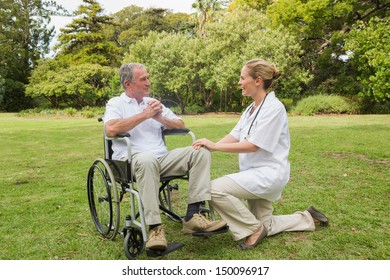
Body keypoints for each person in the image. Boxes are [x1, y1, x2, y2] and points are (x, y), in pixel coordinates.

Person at [192, 58, 328, 250]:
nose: (239, 82)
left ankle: (253, 229)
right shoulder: (250, 108)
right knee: (267, 224)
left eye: (242, 78)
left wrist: (214, 146)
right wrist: (208, 147)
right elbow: (236, 134)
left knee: (213, 189)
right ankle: (307, 218)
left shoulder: (274, 108)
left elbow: (253, 146)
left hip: (268, 174)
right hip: (253, 173)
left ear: (257, 81)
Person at [103, 63, 226, 251]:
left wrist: (160, 118)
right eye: (143, 79)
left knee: (200, 150)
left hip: (162, 159)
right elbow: (111, 129)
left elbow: (181, 125)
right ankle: (154, 228)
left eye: (148, 77)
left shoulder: (152, 103)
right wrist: (145, 115)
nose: (148, 82)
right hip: (131, 161)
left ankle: (193, 216)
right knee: (146, 159)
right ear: (128, 84)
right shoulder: (116, 103)